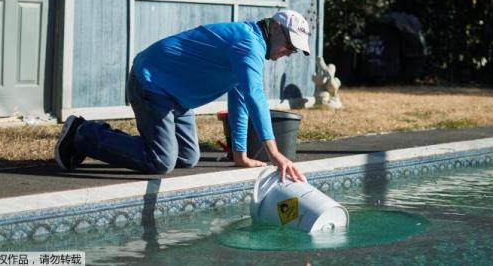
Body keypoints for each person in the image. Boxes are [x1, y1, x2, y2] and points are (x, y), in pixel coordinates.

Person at [55, 10, 310, 183]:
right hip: (152, 83)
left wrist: (239, 155)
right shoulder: (247, 44)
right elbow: (255, 97)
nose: (289, 53)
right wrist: (276, 155)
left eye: (294, 51)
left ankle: (105, 136)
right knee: (161, 161)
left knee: (187, 157)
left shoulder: (251, 47)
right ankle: (82, 133)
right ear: (275, 27)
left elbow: (240, 99)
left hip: (177, 98)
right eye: (289, 45)